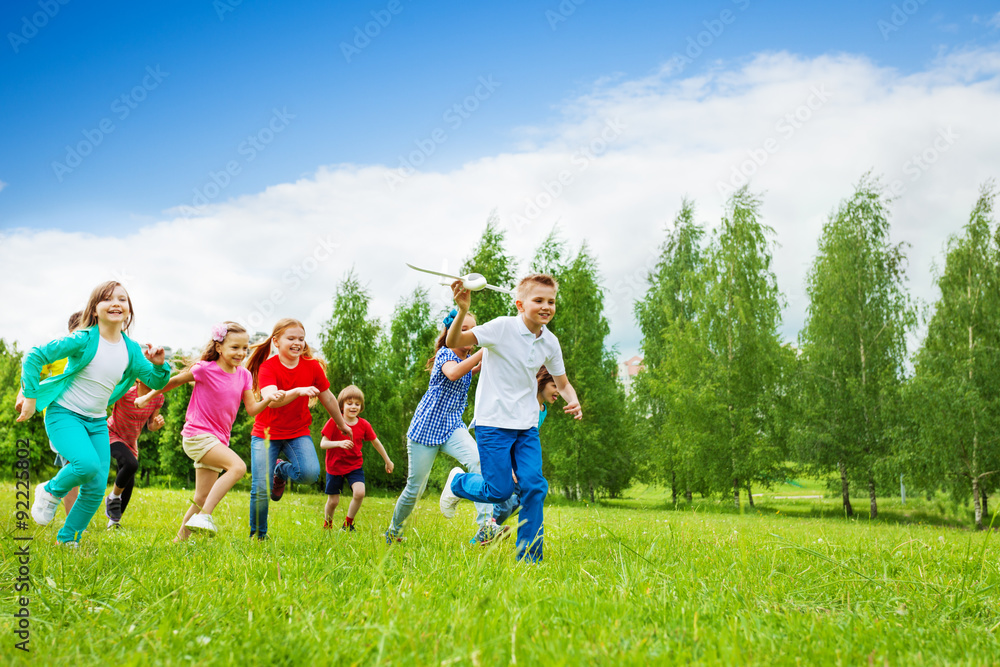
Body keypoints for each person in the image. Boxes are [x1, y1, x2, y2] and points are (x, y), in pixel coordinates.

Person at [439, 274, 582, 562]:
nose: (546, 306)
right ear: (519, 304)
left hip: (526, 425)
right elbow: (453, 340)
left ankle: (529, 557)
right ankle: (458, 484)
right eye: (538, 300)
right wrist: (463, 310)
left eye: (551, 301)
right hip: (493, 422)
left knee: (534, 486)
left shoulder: (550, 343)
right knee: (499, 490)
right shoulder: (501, 328)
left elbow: (562, 382)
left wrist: (573, 399)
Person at [18, 281, 170, 546]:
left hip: (97, 421)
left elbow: (155, 382)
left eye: (122, 299)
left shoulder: (131, 350)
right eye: (107, 299)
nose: (116, 303)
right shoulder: (83, 339)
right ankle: (50, 489)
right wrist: (30, 397)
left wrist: (159, 366)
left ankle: (68, 540)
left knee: (97, 486)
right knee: (85, 465)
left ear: (129, 310)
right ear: (94, 309)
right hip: (64, 414)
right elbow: (35, 356)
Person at [139, 322, 282, 541]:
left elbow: (252, 409)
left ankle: (178, 542)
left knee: (201, 496)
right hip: (197, 435)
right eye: (235, 347)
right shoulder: (205, 369)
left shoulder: (244, 375)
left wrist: (267, 400)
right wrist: (146, 397)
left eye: (245, 348)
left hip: (218, 441)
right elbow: (173, 382)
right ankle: (205, 516)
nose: (241, 353)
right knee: (238, 467)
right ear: (219, 348)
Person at [384, 309, 495, 545]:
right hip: (426, 429)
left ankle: (486, 526)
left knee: (478, 461)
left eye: (473, 330)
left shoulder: (466, 360)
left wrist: (490, 356)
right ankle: (393, 532)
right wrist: (482, 353)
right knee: (416, 488)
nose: (470, 334)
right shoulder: (445, 355)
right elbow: (454, 374)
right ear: (451, 333)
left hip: (452, 426)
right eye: (464, 329)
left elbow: (470, 370)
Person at [244, 318, 352, 541]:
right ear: (276, 341)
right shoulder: (268, 367)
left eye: (301, 339)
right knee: (260, 489)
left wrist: (342, 424)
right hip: (266, 434)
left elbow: (328, 397)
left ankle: (280, 470)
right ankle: (258, 537)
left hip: (297, 432)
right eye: (291, 338)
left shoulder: (311, 366)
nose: (297, 343)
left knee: (310, 474)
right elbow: (272, 400)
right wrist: (298, 391)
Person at [16, 310, 84, 515]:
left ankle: (52, 491)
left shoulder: (92, 353)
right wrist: (22, 396)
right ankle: (72, 524)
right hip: (59, 416)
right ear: (72, 331)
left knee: (83, 469)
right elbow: (33, 370)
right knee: (75, 465)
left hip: (86, 416)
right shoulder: (60, 349)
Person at [491, 366, 560, 529]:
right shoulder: (523, 405)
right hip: (506, 460)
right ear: (542, 382)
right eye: (555, 386)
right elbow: (507, 437)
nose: (559, 392)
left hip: (520, 462)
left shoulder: (543, 410)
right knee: (505, 503)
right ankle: (485, 532)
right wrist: (509, 467)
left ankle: (490, 529)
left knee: (531, 494)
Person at [320, 385, 393, 531]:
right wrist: (339, 443)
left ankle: (348, 524)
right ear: (341, 405)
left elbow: (376, 442)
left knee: (360, 493)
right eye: (349, 403)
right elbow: (323, 444)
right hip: (335, 467)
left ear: (361, 407)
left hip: (354, 466)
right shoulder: (334, 421)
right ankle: (327, 525)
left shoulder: (364, 425)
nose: (354, 407)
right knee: (333, 501)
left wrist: (387, 460)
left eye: (357, 404)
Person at [103, 379, 165, 528]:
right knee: (131, 464)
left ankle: (114, 522)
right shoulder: (124, 392)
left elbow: (150, 425)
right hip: (112, 433)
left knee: (129, 482)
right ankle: (113, 497)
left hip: (131, 441)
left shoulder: (157, 397)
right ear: (138, 377)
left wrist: (155, 425)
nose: (152, 377)